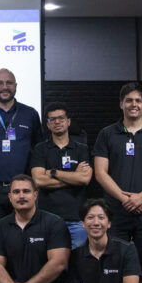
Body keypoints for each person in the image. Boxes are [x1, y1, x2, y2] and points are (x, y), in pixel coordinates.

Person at [93, 82, 142, 247]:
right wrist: (125, 199)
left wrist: (141, 197)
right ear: (121, 104)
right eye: (129, 100)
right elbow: (100, 173)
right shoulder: (106, 134)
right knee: (113, 259)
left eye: (138, 100)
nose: (133, 104)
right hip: (115, 210)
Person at [0, 68, 43, 238]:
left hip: (23, 188)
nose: (4, 87)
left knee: (27, 237)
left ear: (16, 86)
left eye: (9, 82)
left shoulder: (30, 114)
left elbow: (38, 147)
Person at [30, 102, 93, 249]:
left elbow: (84, 179)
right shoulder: (40, 149)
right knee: (52, 266)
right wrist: (73, 178)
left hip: (77, 220)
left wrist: (53, 172)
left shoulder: (81, 148)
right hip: (47, 220)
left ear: (68, 121)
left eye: (61, 118)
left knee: (78, 266)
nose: (57, 122)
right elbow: (38, 180)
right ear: (48, 124)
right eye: (52, 119)